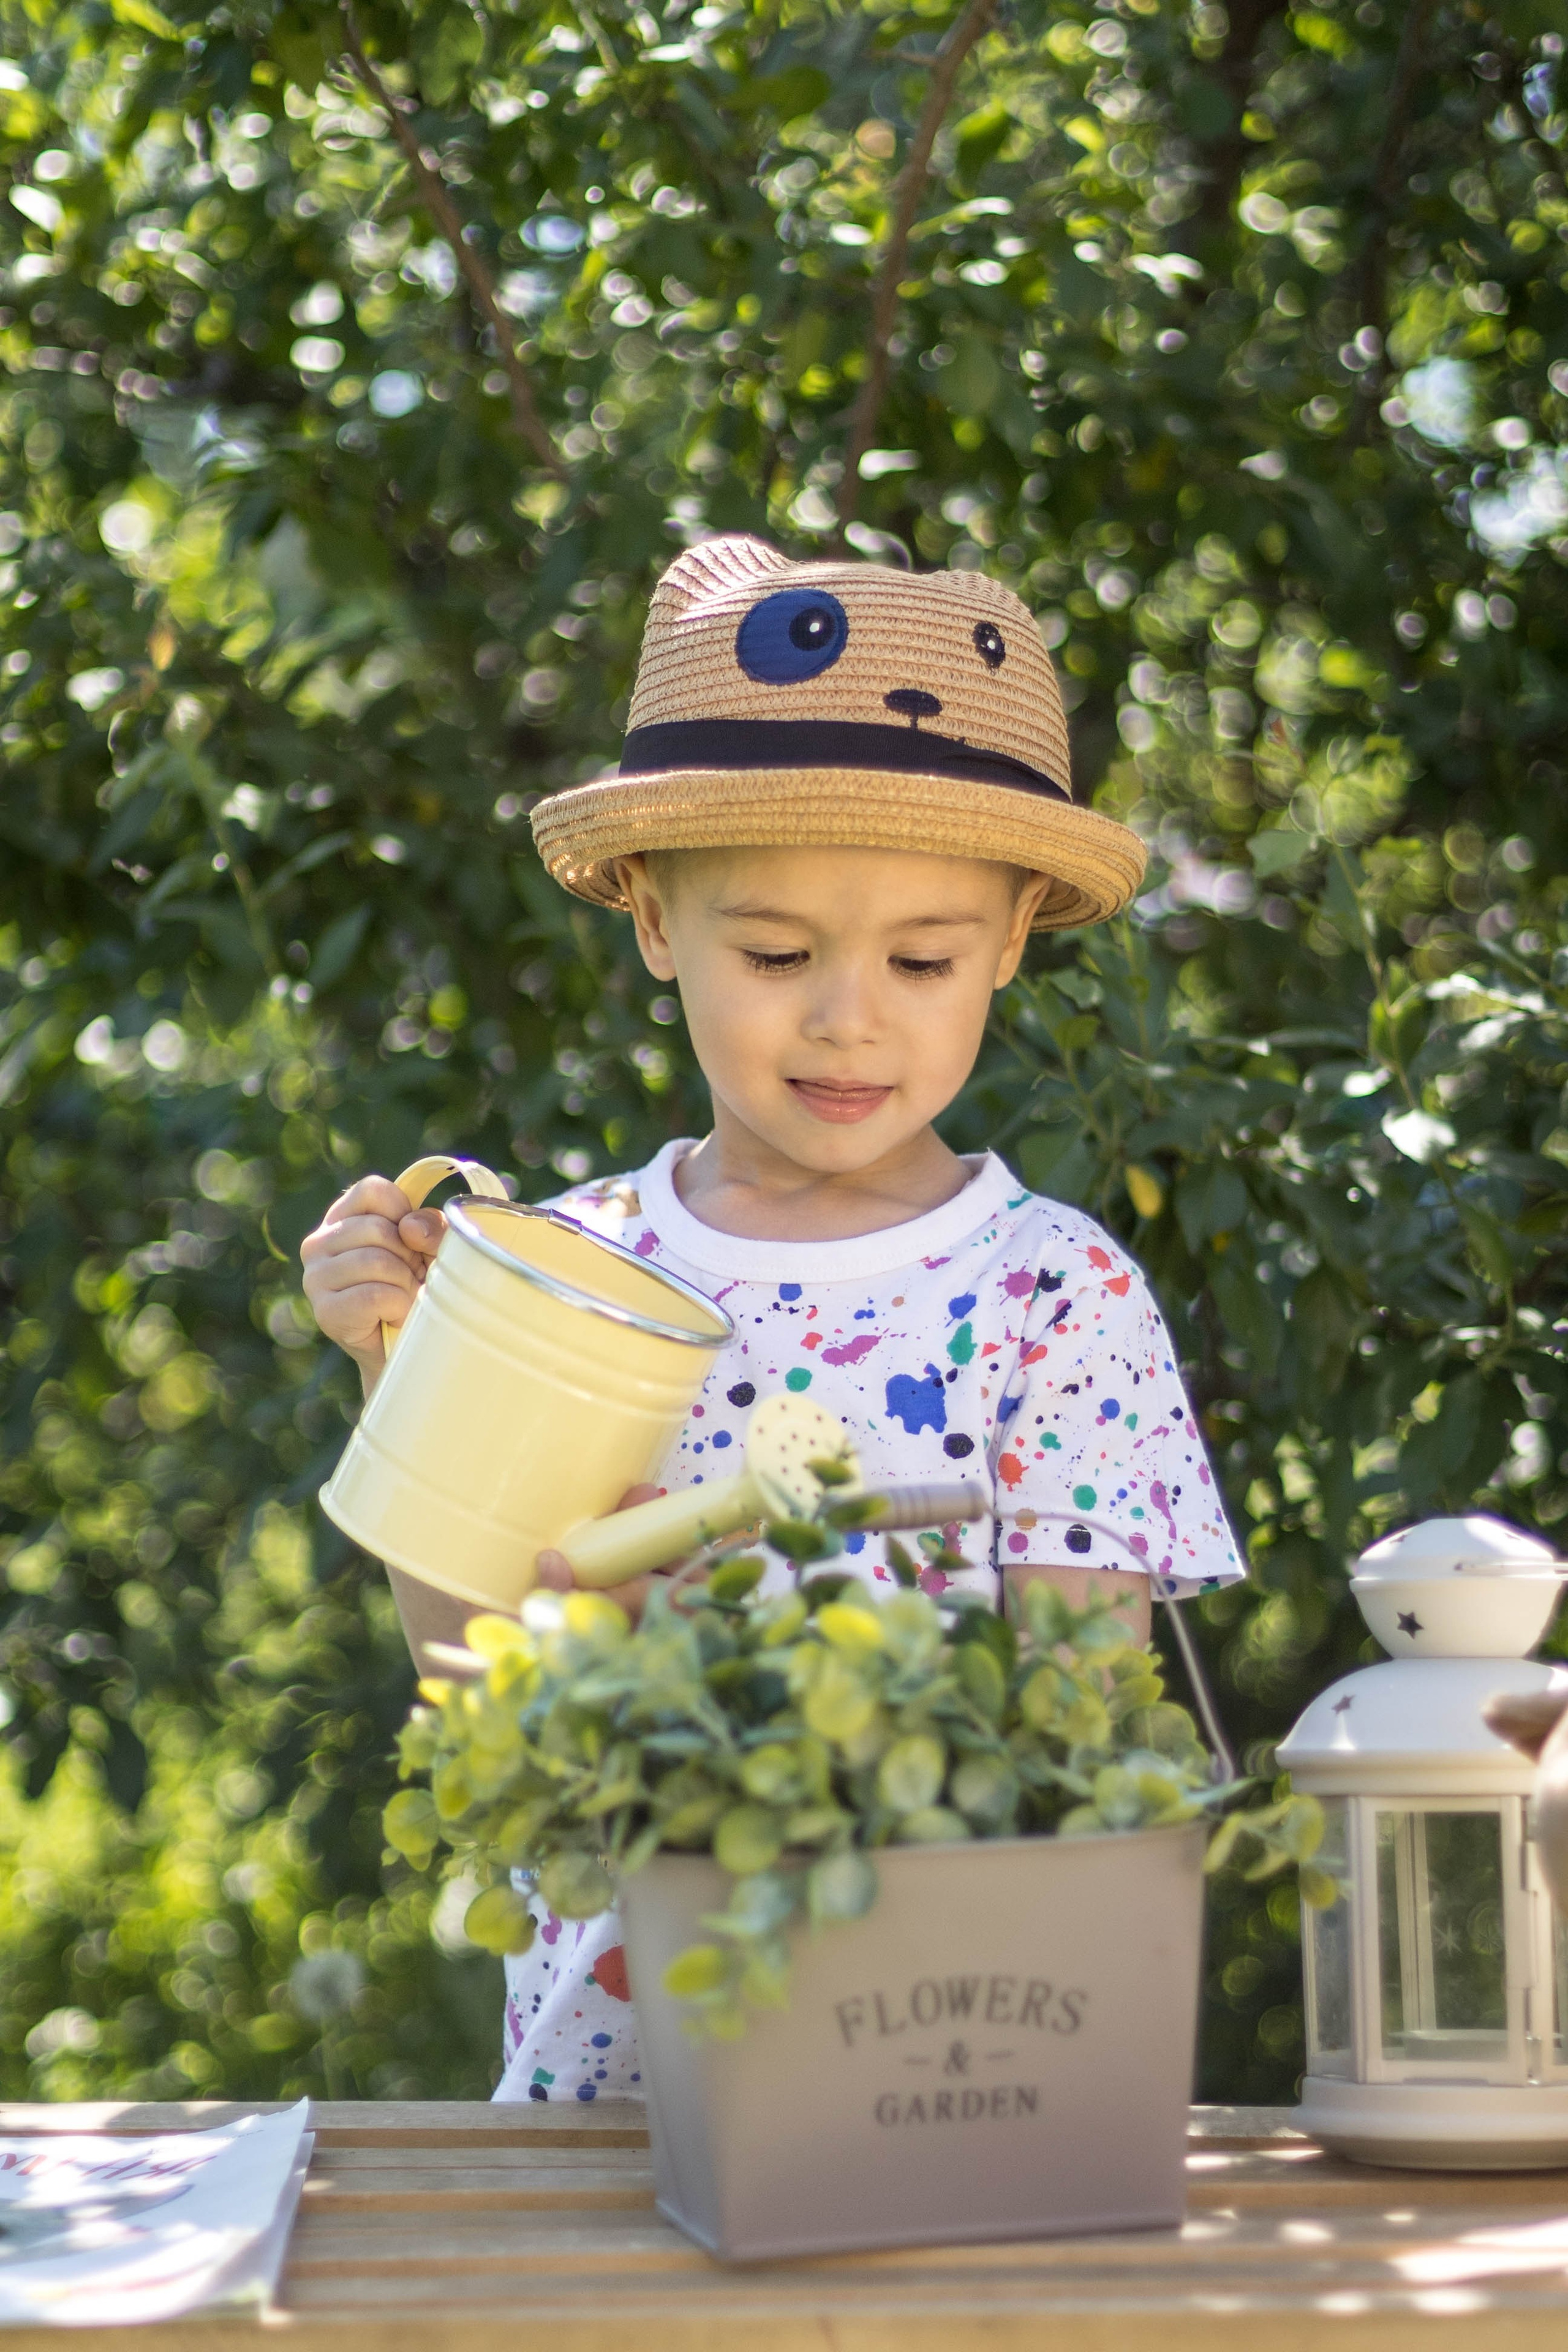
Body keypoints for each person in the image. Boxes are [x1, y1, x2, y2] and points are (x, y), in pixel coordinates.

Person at [301, 533, 1245, 2106]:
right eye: (774, 952)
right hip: (606, 2099)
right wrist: (407, 1371)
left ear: (1011, 943)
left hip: (946, 2084)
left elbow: (1086, 1756)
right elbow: (478, 1711)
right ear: (655, 922)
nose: (845, 1015)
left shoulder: (1052, 1293)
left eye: (924, 957)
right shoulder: (571, 1271)